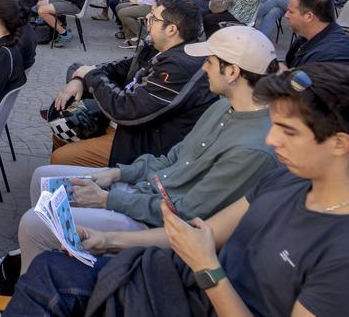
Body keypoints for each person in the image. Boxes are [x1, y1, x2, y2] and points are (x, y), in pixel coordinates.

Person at [10, 64, 349, 317]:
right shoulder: (289, 179)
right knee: (50, 270)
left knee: (51, 287)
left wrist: (209, 269)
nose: (272, 140)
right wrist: (108, 239)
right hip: (184, 286)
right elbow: (201, 234)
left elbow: (203, 252)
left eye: (288, 131)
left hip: (201, 292)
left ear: (341, 144)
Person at [17, 27, 279, 273]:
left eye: (210, 61)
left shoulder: (253, 149)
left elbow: (186, 213)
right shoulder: (223, 106)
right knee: (44, 177)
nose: (204, 67)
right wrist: (116, 175)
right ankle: (49, 263)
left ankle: (33, 291)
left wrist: (108, 199)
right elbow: (173, 158)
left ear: (232, 72)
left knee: (34, 224)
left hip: (154, 222)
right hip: (144, 193)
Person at [50, 0, 216, 168]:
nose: (146, 22)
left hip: (142, 140)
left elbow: (127, 110)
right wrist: (80, 78)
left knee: (60, 158)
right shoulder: (158, 47)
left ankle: (71, 186)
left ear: (172, 29)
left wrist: (90, 76)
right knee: (60, 127)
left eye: (153, 18)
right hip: (126, 125)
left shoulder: (179, 66)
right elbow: (119, 67)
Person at [279, 0, 349, 72]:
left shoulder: (331, 56)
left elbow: (311, 86)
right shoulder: (311, 37)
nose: (286, 15)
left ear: (309, 17)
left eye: (291, 12)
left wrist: (285, 76)